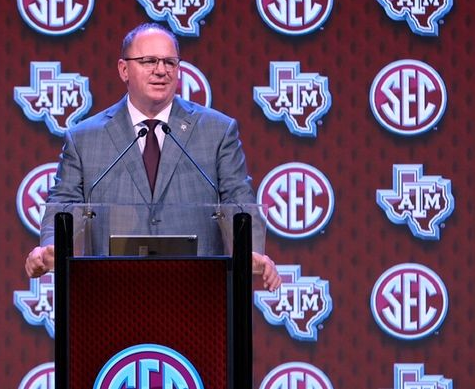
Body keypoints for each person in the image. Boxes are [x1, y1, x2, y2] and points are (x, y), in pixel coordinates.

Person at [24, 22, 282, 291]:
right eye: (149, 61)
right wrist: (49, 249)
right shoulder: (84, 138)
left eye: (170, 62)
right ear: (124, 69)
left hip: (197, 290)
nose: (161, 70)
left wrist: (250, 250)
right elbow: (63, 204)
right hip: (110, 291)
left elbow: (238, 201)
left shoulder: (217, 131)